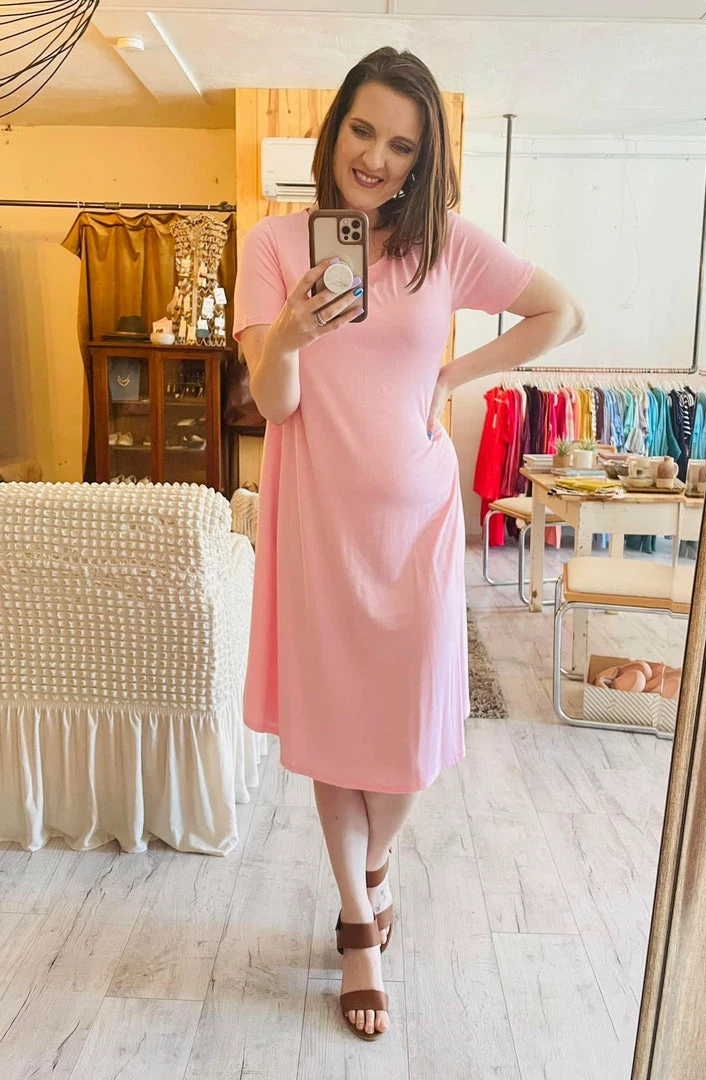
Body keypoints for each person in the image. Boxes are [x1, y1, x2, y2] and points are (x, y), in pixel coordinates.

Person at [234, 46, 585, 1042]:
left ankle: (377, 861)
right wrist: (291, 333)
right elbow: (275, 403)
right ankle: (358, 921)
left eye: (400, 145)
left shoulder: (447, 247)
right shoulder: (274, 244)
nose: (375, 158)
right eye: (362, 129)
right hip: (318, 522)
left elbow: (562, 312)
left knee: (406, 741)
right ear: (334, 127)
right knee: (333, 730)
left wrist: (453, 374)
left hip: (419, 524)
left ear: (423, 160)